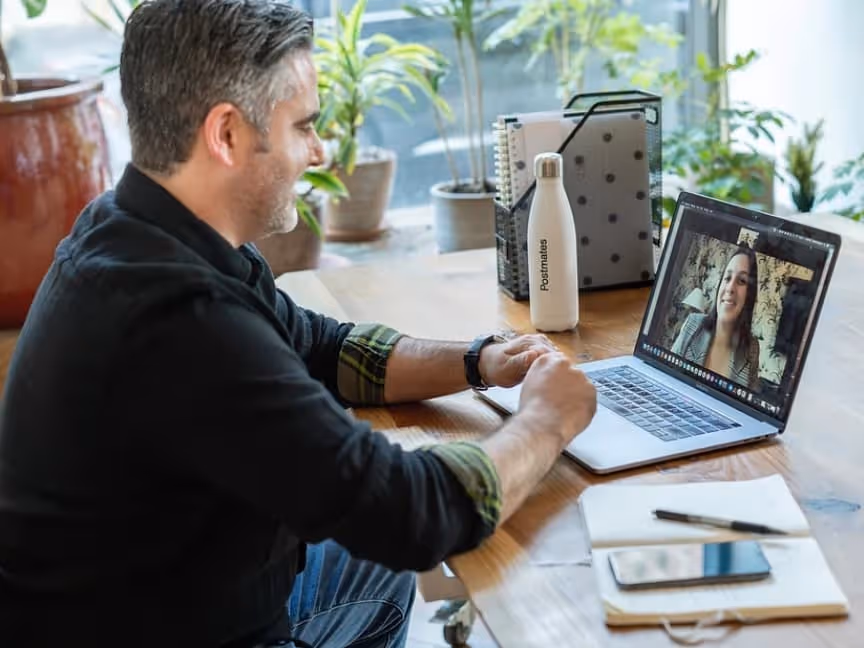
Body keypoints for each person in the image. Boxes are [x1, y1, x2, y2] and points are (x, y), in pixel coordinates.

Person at [0, 2, 597, 647]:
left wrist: (479, 359)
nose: (319, 150)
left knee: (377, 571)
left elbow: (323, 347)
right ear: (225, 134)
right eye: (303, 126)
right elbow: (411, 514)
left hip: (157, 591)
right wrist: (548, 419)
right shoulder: (181, 322)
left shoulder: (135, 228)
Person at [671, 245, 761, 389]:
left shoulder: (752, 348)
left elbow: (748, 402)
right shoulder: (693, 323)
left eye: (742, 281)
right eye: (727, 278)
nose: (730, 288)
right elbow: (666, 374)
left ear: (749, 296)